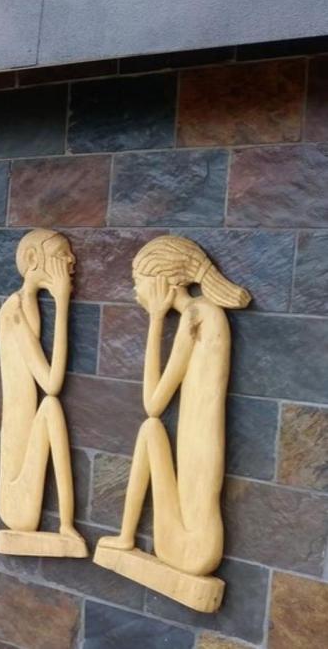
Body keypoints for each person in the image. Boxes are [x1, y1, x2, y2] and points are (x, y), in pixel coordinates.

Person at [97, 236, 250, 576]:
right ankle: (125, 536)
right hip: (194, 540)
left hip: (192, 548)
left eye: (138, 281)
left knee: (150, 427)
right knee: (151, 429)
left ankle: (126, 536)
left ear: (161, 282)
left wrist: (155, 320)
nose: (135, 292)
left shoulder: (198, 314)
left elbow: (152, 403)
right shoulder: (205, 313)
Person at [0, 229, 85, 554]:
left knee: (49, 406)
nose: (71, 261)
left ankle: (67, 525)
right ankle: (66, 525)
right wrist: (62, 303)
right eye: (61, 254)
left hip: (21, 474)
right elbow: (51, 382)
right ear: (33, 259)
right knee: (51, 405)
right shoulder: (14, 310)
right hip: (14, 500)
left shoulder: (25, 304)